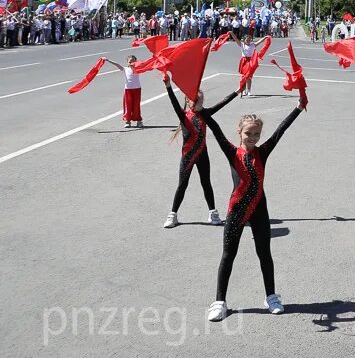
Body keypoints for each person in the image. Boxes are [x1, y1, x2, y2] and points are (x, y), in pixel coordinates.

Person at [201, 95, 306, 322]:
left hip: (260, 209)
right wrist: (200, 110)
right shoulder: (232, 152)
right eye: (248, 133)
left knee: (264, 254)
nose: (253, 138)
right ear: (239, 132)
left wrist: (298, 108)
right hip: (236, 210)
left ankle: (271, 296)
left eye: (256, 134)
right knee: (228, 255)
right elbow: (215, 128)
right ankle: (220, 301)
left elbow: (280, 131)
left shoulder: (262, 152)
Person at [162, 76, 241, 228]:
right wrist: (168, 86)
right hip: (188, 157)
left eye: (201, 101)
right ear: (188, 101)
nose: (199, 103)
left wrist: (237, 91)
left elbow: (222, 103)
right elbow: (173, 101)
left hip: (203, 154)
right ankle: (173, 215)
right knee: (182, 185)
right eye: (196, 101)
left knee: (206, 183)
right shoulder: (183, 116)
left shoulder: (205, 114)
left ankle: (213, 213)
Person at [103, 55, 143, 128]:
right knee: (128, 105)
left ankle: (139, 121)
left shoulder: (138, 69)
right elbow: (117, 64)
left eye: (133, 61)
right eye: (130, 62)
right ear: (127, 63)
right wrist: (108, 60)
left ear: (136, 62)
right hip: (128, 90)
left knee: (136, 105)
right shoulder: (125, 69)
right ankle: (127, 121)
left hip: (137, 89)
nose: (131, 63)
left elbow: (148, 65)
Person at [231, 33, 269, 97]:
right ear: (244, 40)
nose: (248, 41)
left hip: (251, 61)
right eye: (247, 39)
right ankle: (242, 91)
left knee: (249, 77)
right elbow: (236, 39)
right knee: (244, 77)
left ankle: (248, 90)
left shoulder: (253, 45)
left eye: (249, 39)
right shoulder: (242, 45)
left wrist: (265, 37)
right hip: (244, 61)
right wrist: (231, 33)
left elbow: (260, 41)